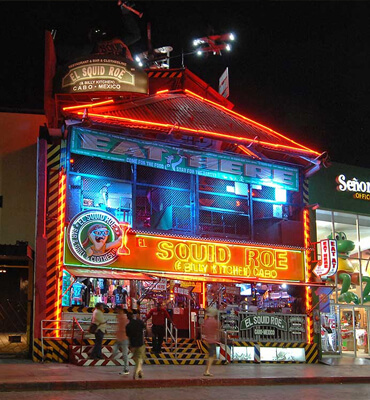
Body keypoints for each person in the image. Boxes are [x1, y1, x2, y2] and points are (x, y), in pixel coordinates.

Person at [126, 311, 145, 379]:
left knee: (137, 359)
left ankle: (140, 372)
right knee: (139, 359)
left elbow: (128, 335)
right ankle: (136, 373)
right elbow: (146, 328)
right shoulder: (139, 322)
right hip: (140, 343)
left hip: (133, 344)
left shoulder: (128, 326)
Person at [202, 308, 219, 377]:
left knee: (210, 355)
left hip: (207, 339)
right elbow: (217, 330)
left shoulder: (206, 321)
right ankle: (207, 370)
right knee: (211, 355)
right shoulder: (215, 322)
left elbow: (203, 330)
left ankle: (207, 370)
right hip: (212, 339)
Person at [113, 308, 130, 375]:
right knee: (122, 353)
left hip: (123, 337)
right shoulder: (121, 318)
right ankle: (126, 368)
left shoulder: (123, 318)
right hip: (121, 337)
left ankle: (126, 369)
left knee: (124, 354)